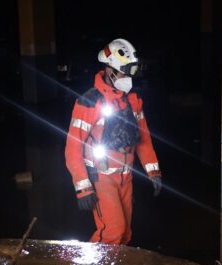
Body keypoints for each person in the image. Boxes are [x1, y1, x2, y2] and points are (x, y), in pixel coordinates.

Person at [64, 38, 162, 245]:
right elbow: (73, 147)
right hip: (101, 178)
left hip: (125, 177)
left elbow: (143, 138)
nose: (129, 77)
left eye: (132, 71)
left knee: (125, 233)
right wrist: (83, 187)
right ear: (110, 70)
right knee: (112, 231)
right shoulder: (89, 102)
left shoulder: (132, 100)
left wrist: (153, 171)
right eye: (126, 71)